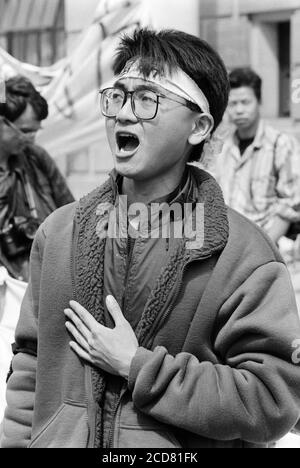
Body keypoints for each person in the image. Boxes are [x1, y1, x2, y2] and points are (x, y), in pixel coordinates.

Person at [1, 29, 300, 449]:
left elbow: (272, 399)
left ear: (199, 127)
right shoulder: (59, 234)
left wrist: (138, 366)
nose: (124, 114)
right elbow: (31, 365)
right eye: (118, 96)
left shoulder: (244, 256)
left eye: (147, 99)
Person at [212, 67, 300, 245]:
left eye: (245, 102)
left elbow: (290, 205)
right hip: (226, 247)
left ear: (259, 102)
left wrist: (264, 247)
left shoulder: (280, 144)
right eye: (233, 104)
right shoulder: (221, 148)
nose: (239, 110)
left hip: (264, 248)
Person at [0, 76, 74, 281]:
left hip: (50, 276)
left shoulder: (36, 157)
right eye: (24, 131)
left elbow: (71, 213)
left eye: (35, 131)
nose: (31, 138)